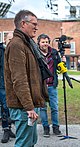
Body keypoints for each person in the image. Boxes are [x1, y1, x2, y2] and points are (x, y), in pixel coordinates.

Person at [4, 10, 50, 146]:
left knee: (30, 141)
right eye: (34, 24)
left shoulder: (27, 44)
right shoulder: (17, 45)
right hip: (23, 106)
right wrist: (29, 107)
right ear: (23, 24)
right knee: (24, 143)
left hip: (27, 105)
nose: (37, 27)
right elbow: (19, 79)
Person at [37, 34, 62, 137]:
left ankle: (55, 127)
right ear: (39, 43)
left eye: (47, 42)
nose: (45, 44)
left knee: (54, 107)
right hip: (41, 86)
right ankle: (45, 128)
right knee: (43, 108)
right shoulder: (35, 53)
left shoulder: (54, 53)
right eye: (43, 42)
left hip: (52, 85)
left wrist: (62, 63)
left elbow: (59, 68)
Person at [0, 32, 16, 143]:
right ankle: (6, 129)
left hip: (11, 85)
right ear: (5, 39)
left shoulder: (16, 52)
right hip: (1, 83)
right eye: (9, 39)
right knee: (4, 107)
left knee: (7, 107)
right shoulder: (1, 50)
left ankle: (8, 129)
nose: (11, 41)